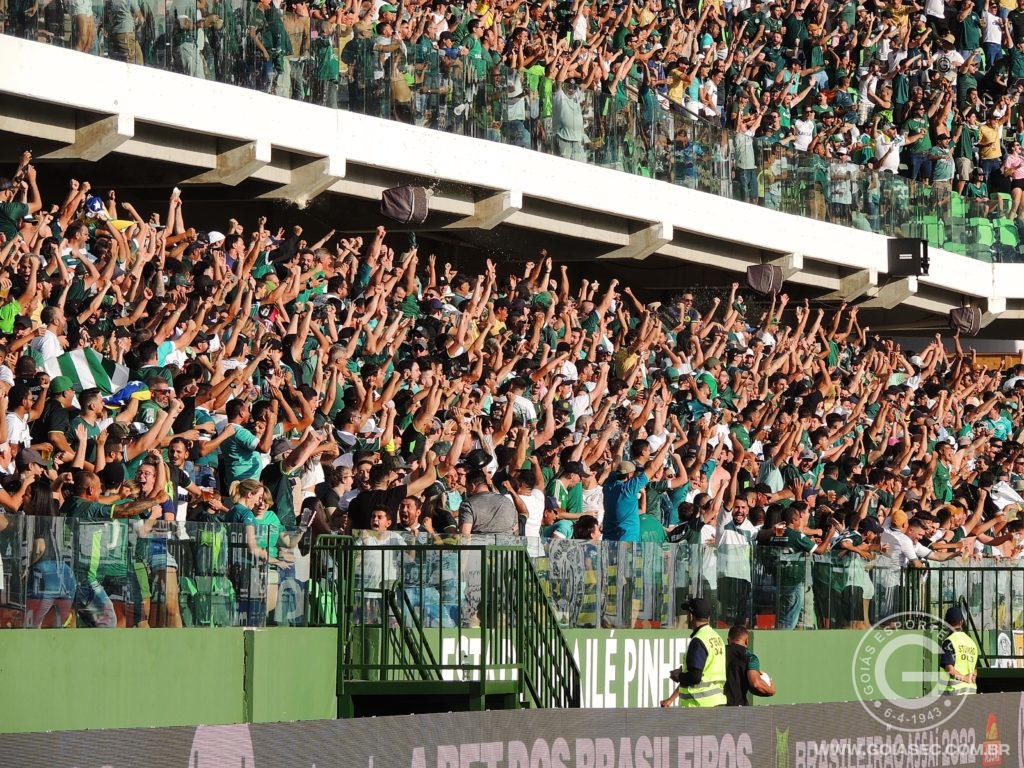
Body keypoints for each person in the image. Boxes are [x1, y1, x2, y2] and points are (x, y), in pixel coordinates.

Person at [660, 597, 726, 708]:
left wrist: (679, 676)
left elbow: (695, 677)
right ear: (708, 618)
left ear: (691, 616)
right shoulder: (717, 638)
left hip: (698, 707)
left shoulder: (698, 640)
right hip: (717, 704)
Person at [724, 625, 776, 706]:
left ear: (728, 640)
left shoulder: (718, 653)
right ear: (747, 641)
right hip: (739, 707)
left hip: (718, 706)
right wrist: (771, 690)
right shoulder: (750, 657)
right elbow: (755, 684)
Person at [939, 605, 979, 695]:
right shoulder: (972, 642)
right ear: (962, 622)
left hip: (954, 691)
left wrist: (964, 678)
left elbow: (950, 669)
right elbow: (975, 670)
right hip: (971, 691)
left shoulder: (949, 642)